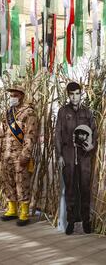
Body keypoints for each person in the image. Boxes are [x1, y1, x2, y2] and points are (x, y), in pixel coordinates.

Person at [55, 81, 98, 235]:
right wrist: (59, 155)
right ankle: (71, 221)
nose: (74, 97)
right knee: (70, 189)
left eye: (77, 94)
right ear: (68, 95)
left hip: (84, 156)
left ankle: (86, 221)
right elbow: (58, 135)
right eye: (71, 94)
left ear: (81, 94)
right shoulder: (62, 112)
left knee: (85, 188)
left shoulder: (87, 112)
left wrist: (92, 146)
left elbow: (94, 131)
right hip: (68, 154)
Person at [0, 84, 38, 226]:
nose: (12, 97)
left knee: (22, 183)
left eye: (15, 94)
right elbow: (0, 134)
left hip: (19, 155)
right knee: (7, 181)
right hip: (6, 154)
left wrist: (26, 155)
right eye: (11, 94)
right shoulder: (8, 113)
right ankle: (12, 209)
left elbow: (30, 136)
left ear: (21, 95)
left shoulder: (29, 113)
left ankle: (24, 212)